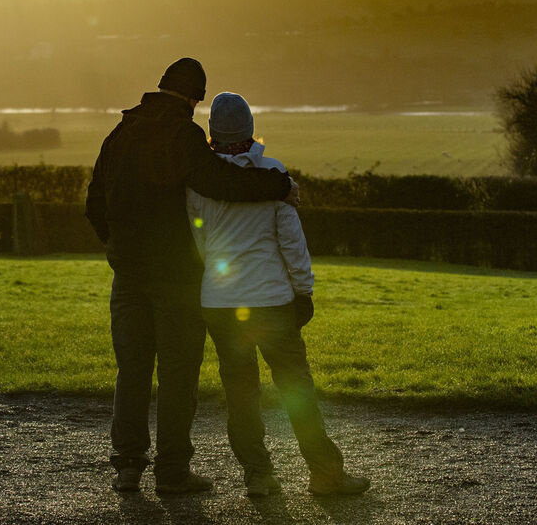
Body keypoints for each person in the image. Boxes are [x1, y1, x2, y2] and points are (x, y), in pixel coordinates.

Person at [85, 58, 299, 495]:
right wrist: (278, 184)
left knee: (132, 370)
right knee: (178, 374)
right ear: (194, 97)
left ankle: (128, 467)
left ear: (161, 86)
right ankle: (173, 472)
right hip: (176, 277)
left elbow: (94, 205)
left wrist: (119, 247)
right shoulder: (182, 135)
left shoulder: (119, 134)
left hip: (127, 274)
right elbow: (217, 181)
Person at [187, 92, 370, 497]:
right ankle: (325, 473)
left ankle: (259, 475)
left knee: (240, 392)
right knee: (295, 387)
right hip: (271, 300)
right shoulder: (273, 174)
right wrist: (303, 290)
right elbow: (291, 242)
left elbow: (199, 240)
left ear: (212, 134)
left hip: (219, 302)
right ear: (250, 128)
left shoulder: (199, 182)